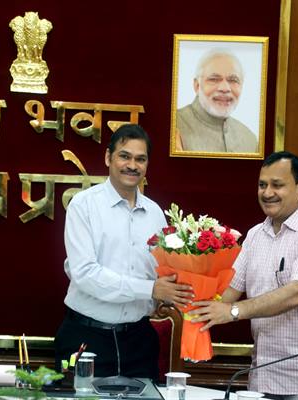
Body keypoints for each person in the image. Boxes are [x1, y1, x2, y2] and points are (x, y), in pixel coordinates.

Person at [189, 151, 298, 399]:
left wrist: (233, 311)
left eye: (277, 185)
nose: (267, 193)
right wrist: (190, 305)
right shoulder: (254, 236)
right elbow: (229, 291)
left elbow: (297, 293)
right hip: (264, 374)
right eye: (262, 185)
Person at [54, 124, 194, 380]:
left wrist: (187, 291)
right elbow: (85, 274)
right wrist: (150, 289)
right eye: (124, 156)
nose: (132, 165)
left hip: (139, 341)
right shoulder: (83, 205)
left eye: (140, 159)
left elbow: (163, 272)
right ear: (108, 157)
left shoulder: (155, 213)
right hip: (85, 338)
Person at [176, 48, 258, 153]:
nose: (225, 88)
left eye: (233, 80)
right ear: (197, 86)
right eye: (214, 79)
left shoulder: (250, 140)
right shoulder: (173, 125)